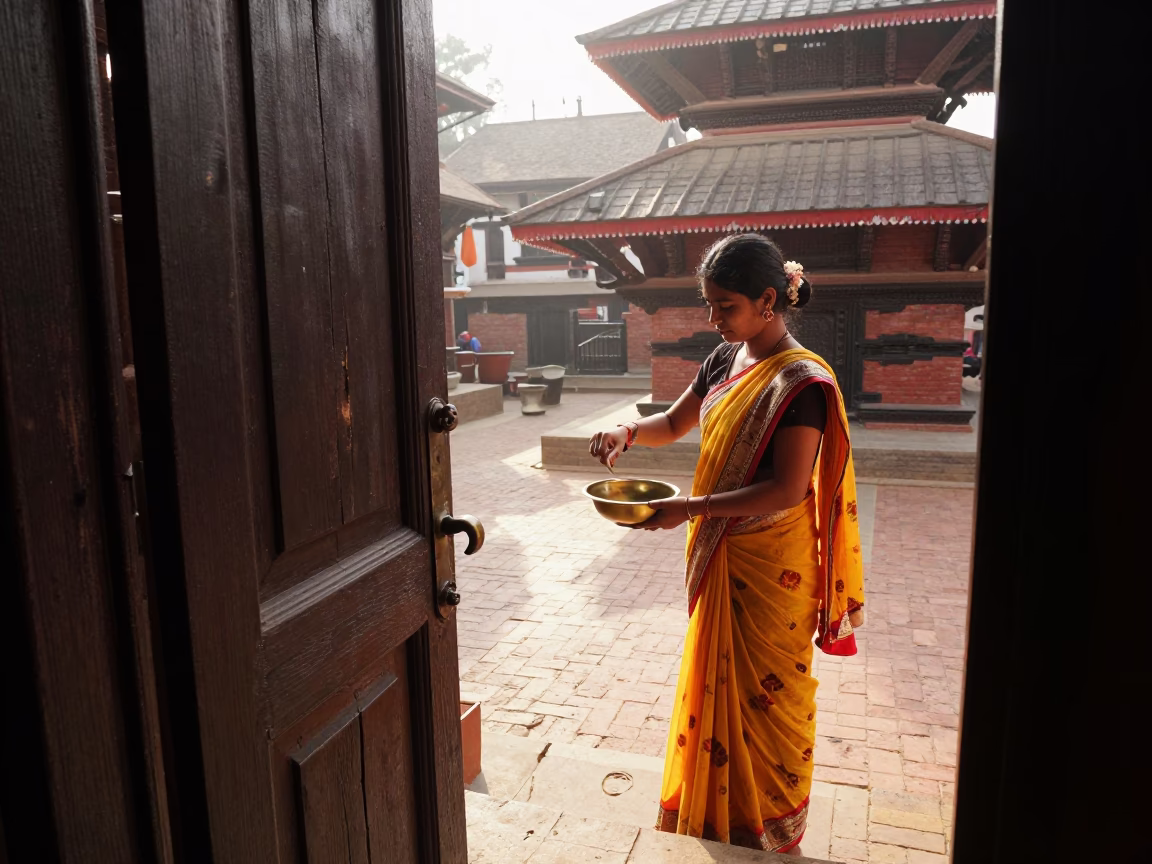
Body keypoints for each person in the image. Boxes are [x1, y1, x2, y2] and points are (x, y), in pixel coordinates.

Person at [588, 234, 864, 856]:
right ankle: (711, 819)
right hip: (723, 555)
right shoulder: (724, 358)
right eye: (708, 305)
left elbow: (789, 489)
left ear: (770, 300)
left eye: (725, 306)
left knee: (767, 701)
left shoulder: (801, 384)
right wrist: (626, 431)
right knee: (717, 688)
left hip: (772, 570)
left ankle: (764, 829)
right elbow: (677, 423)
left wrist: (690, 509)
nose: (714, 319)